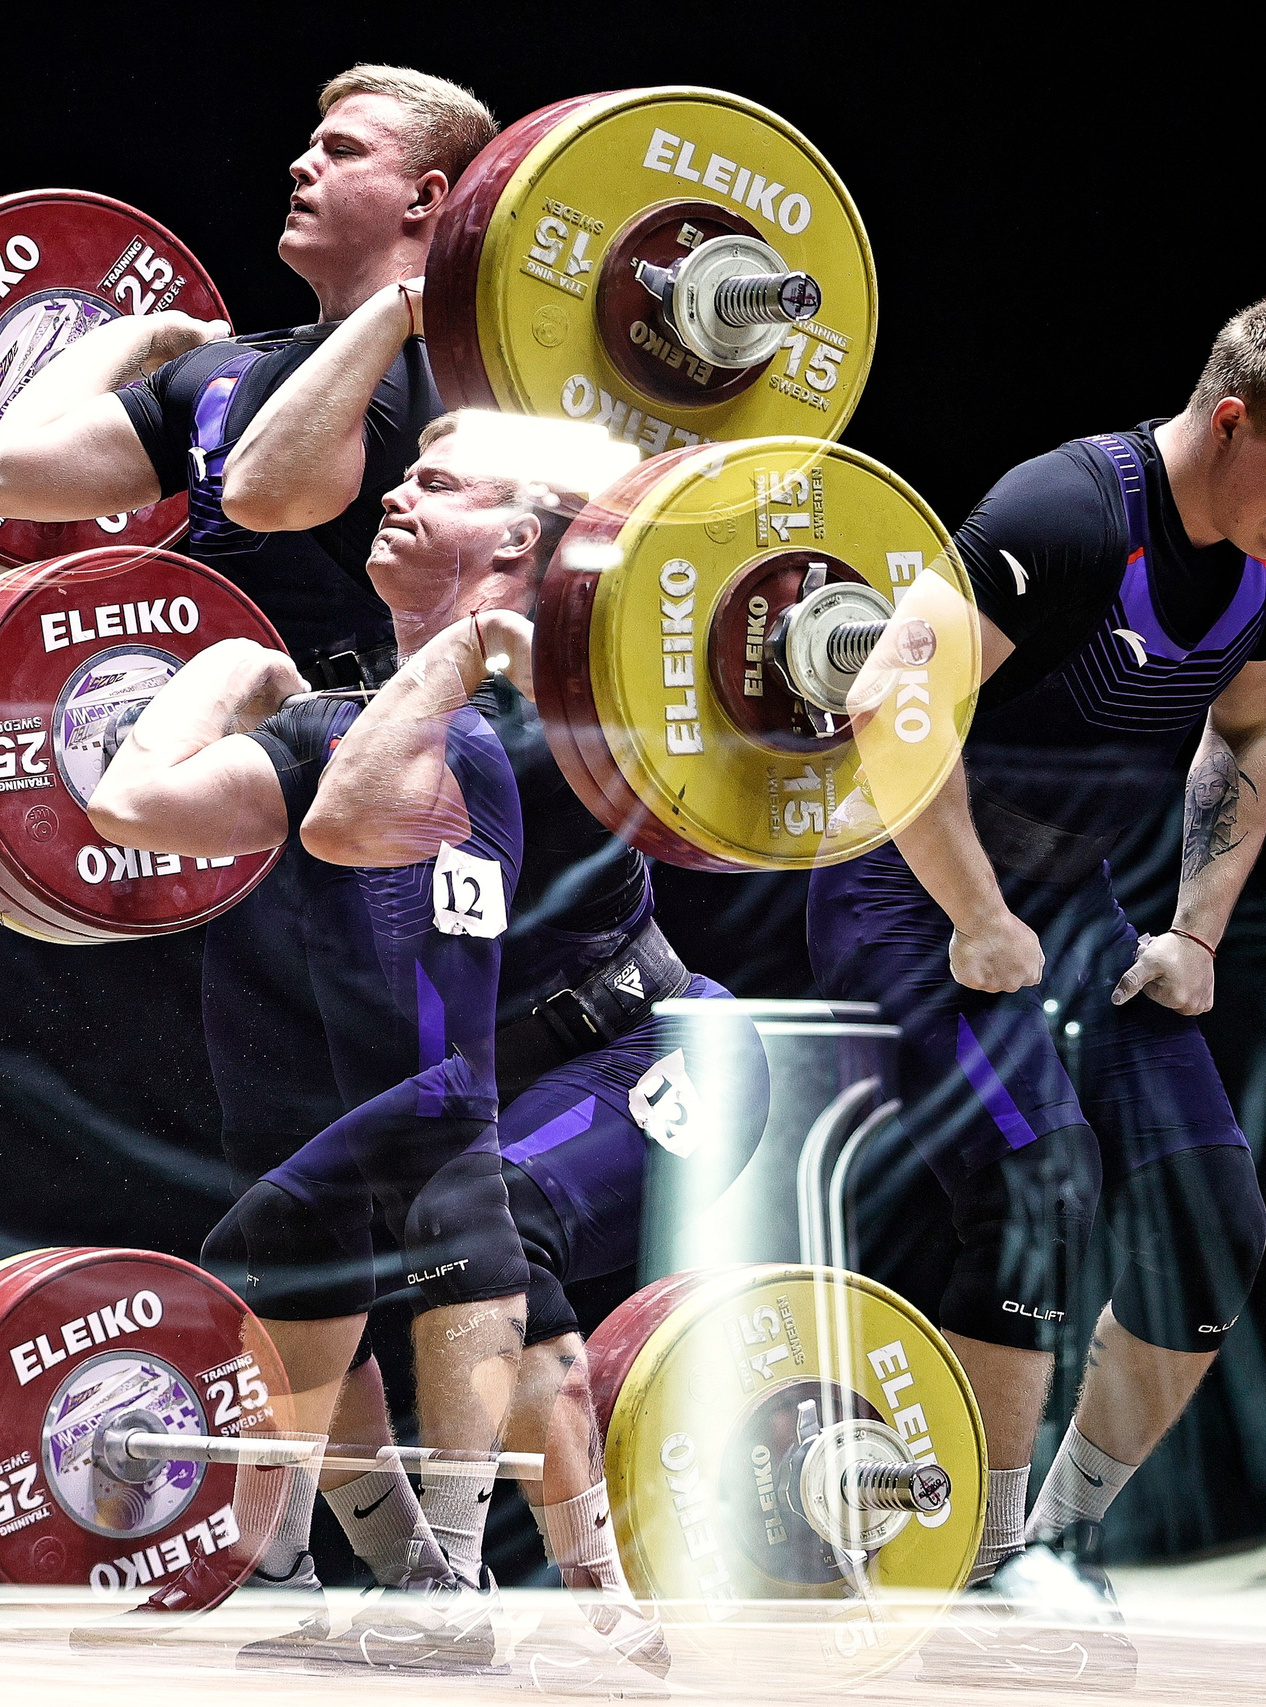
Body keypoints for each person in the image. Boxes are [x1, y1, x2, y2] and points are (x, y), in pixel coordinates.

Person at [91, 412, 769, 1679]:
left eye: (439, 482)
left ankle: (471, 1581)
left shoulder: (571, 704)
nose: (397, 489)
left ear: (521, 537)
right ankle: (311, 1566)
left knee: (477, 1197)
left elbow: (350, 819)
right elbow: (129, 806)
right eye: (406, 470)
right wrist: (236, 670)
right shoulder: (393, 702)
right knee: (306, 1203)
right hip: (485, 1084)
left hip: (661, 1060)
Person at [0, 64, 502, 1621]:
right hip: (269, 813)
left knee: (441, 1189)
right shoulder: (231, 371)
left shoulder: (473, 376)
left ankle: (430, 1548)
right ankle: (379, 1555)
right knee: (294, 1205)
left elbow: (276, 492)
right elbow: (9, 473)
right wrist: (138, 342)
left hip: (427, 803)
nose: (296, 161)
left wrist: (411, 308)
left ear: (424, 202)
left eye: (339, 150)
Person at [804, 298, 1266, 1683]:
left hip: (1080, 913)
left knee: (1214, 1223)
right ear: (1231, 417)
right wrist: (979, 914)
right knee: (1039, 1182)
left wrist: (1195, 932)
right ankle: (981, 1564)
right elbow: (893, 703)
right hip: (908, 892)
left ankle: (1043, 1545)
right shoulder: (1069, 510)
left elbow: (1252, 726)